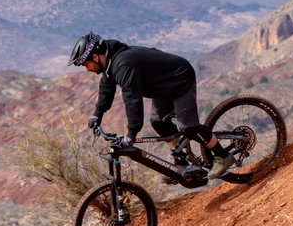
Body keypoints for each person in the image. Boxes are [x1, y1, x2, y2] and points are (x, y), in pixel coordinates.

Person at [68, 31, 234, 181]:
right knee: (159, 122)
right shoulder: (110, 64)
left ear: (96, 57)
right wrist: (97, 114)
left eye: (85, 64)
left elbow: (132, 98)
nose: (87, 69)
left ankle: (223, 155)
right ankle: (182, 163)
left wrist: (131, 133)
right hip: (163, 86)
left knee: (188, 128)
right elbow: (106, 88)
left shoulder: (123, 64)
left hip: (180, 78)